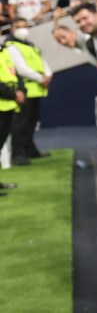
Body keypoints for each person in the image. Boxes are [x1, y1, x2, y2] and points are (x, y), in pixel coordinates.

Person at [4, 18, 53, 165]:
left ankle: (30, 149)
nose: (22, 29)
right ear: (12, 29)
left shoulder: (30, 45)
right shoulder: (11, 46)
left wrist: (48, 75)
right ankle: (18, 154)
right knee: (20, 123)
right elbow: (21, 68)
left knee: (32, 122)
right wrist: (40, 78)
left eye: (25, 26)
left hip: (37, 89)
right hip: (24, 88)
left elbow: (42, 61)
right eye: (18, 27)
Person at [0, 46, 25, 194]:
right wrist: (13, 94)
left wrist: (21, 90)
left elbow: (16, 74)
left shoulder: (4, 51)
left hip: (8, 106)